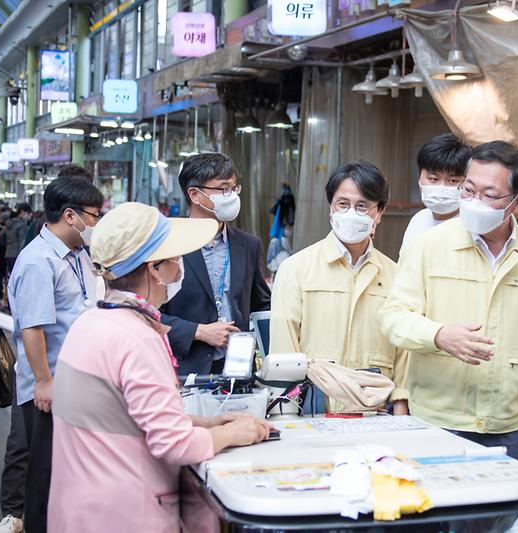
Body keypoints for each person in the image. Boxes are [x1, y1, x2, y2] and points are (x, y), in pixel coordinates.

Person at [48, 202, 271, 532]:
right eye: (175, 259)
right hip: (127, 514)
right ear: (154, 268)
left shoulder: (92, 322)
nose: (180, 269)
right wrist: (234, 432)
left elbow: (125, 416)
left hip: (82, 510)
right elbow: (173, 443)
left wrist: (209, 423)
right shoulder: (137, 338)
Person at [379, 141, 518, 461]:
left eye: (489, 195)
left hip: (506, 425)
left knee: (501, 510)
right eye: (468, 190)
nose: (475, 201)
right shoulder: (429, 245)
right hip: (437, 421)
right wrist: (438, 335)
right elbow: (392, 317)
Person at [271, 161, 409, 414]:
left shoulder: (397, 276)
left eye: (362, 206)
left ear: (379, 212)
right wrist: (286, 415)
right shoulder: (296, 269)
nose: (351, 213)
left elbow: (404, 356)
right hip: (313, 410)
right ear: (331, 209)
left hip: (375, 412)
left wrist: (401, 412)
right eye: (342, 204)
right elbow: (283, 353)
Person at [7, 177, 103, 533]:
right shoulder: (37, 261)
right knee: (44, 477)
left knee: (67, 475)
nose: (96, 223)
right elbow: (33, 328)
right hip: (49, 388)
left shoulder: (77, 255)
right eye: (94, 215)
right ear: (70, 215)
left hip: (75, 382)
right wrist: (44, 382)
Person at [161, 153, 271, 375]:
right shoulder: (168, 244)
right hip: (184, 368)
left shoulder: (248, 245)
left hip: (237, 368)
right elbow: (148, 313)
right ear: (195, 194)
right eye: (223, 189)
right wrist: (197, 331)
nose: (230, 196)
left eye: (233, 188)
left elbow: (261, 305)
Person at [399, 133, 472, 259]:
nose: (441, 187)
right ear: (419, 177)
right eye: (433, 179)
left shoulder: (472, 227)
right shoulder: (418, 220)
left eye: (452, 181)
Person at [4, 203, 33, 273]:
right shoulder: (22, 225)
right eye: (28, 213)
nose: (30, 215)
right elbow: (22, 242)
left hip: (8, 254)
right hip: (17, 255)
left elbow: (1, 238)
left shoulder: (8, 223)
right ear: (22, 212)